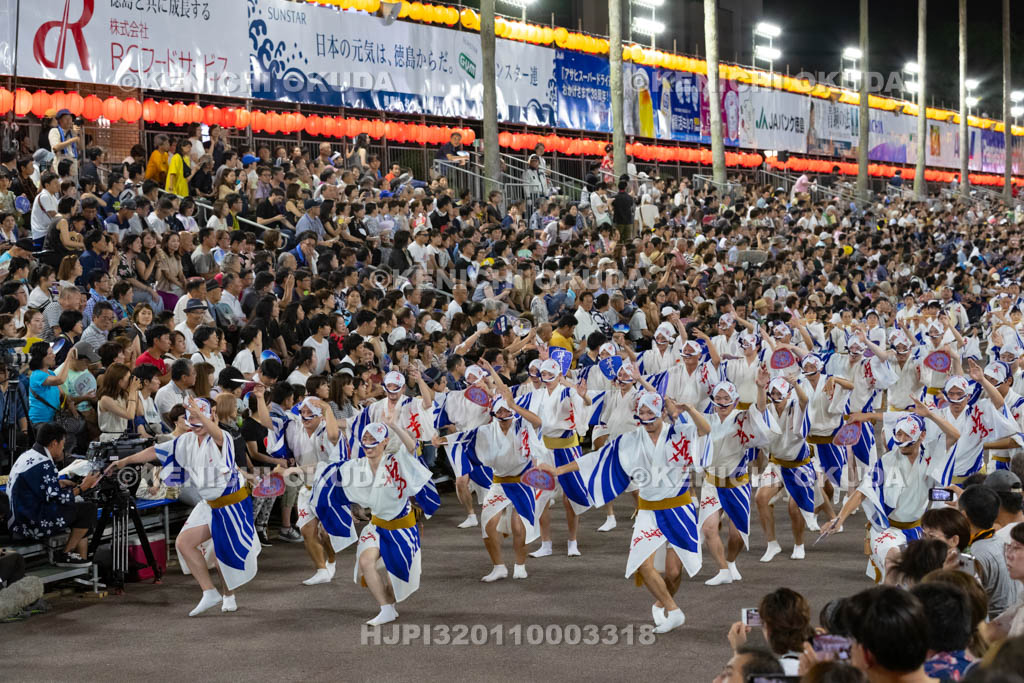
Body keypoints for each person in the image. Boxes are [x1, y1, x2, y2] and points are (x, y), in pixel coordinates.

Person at [106, 397, 260, 616]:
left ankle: (229, 595)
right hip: (209, 504)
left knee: (221, 557)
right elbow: (154, 452)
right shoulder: (186, 440)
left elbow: (215, 434)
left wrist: (201, 414)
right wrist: (124, 461)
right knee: (184, 543)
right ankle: (209, 592)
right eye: (192, 419)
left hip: (232, 504)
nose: (196, 424)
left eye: (200, 418)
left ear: (211, 417)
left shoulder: (221, 437)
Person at [311, 421, 434, 625]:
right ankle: (385, 609)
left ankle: (390, 603)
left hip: (402, 528)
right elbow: (327, 471)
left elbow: (413, 449)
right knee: (366, 562)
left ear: (385, 441)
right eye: (365, 439)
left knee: (395, 584)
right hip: (376, 525)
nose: (368, 444)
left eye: (373, 440)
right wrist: (293, 472)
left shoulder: (397, 461)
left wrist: (394, 425)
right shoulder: (357, 466)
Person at [823, 403, 960, 582]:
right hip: (888, 528)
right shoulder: (886, 462)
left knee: (918, 579)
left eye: (907, 434)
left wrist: (930, 415)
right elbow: (862, 492)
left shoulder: (930, 454)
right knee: (892, 564)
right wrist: (839, 519)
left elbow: (955, 435)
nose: (902, 439)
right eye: (898, 434)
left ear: (922, 436)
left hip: (918, 529)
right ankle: (888, 608)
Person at [436, 366, 543, 583]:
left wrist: (513, 405)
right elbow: (464, 436)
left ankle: (520, 565)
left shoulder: (522, 424)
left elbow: (538, 422)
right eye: (500, 411)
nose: (503, 415)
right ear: (494, 413)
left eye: (507, 411)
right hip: (499, 482)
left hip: (522, 482)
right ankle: (499, 566)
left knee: (518, 525)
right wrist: (442, 440)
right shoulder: (486, 430)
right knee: (488, 524)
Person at [7, 422, 101, 567]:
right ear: (54, 443)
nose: (63, 448)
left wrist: (59, 483)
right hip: (30, 523)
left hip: (18, 519)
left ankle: (79, 561)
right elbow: (57, 498)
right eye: (63, 444)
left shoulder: (29, 455)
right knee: (87, 510)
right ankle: (64, 555)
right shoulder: (43, 464)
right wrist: (83, 487)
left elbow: (38, 487)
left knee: (80, 508)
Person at [958, 484, 1022, 618]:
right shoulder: (1004, 542)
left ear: (964, 515)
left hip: (992, 627)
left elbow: (966, 603)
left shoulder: (970, 556)